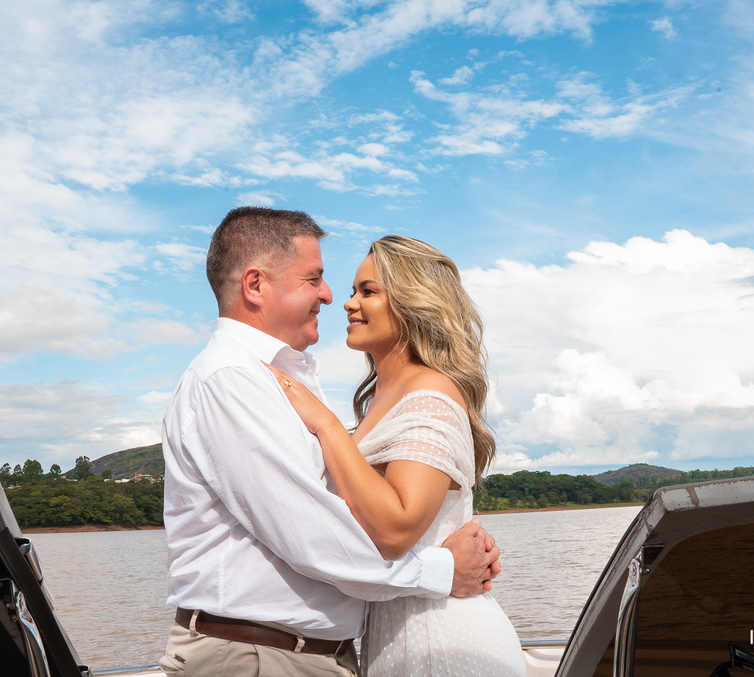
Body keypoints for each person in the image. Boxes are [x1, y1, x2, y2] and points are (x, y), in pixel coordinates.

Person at [161, 208, 502, 677]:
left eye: (366, 290)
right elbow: (311, 535)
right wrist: (445, 569)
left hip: (320, 650)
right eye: (314, 278)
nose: (331, 296)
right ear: (255, 285)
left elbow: (352, 516)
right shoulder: (233, 380)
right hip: (260, 656)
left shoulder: (283, 379)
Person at [268, 235, 527, 677]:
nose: (349, 303)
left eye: (368, 291)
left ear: (413, 303)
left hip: (441, 639)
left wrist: (327, 426)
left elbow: (396, 529)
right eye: (353, 291)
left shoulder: (430, 391)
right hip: (402, 633)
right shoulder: (381, 401)